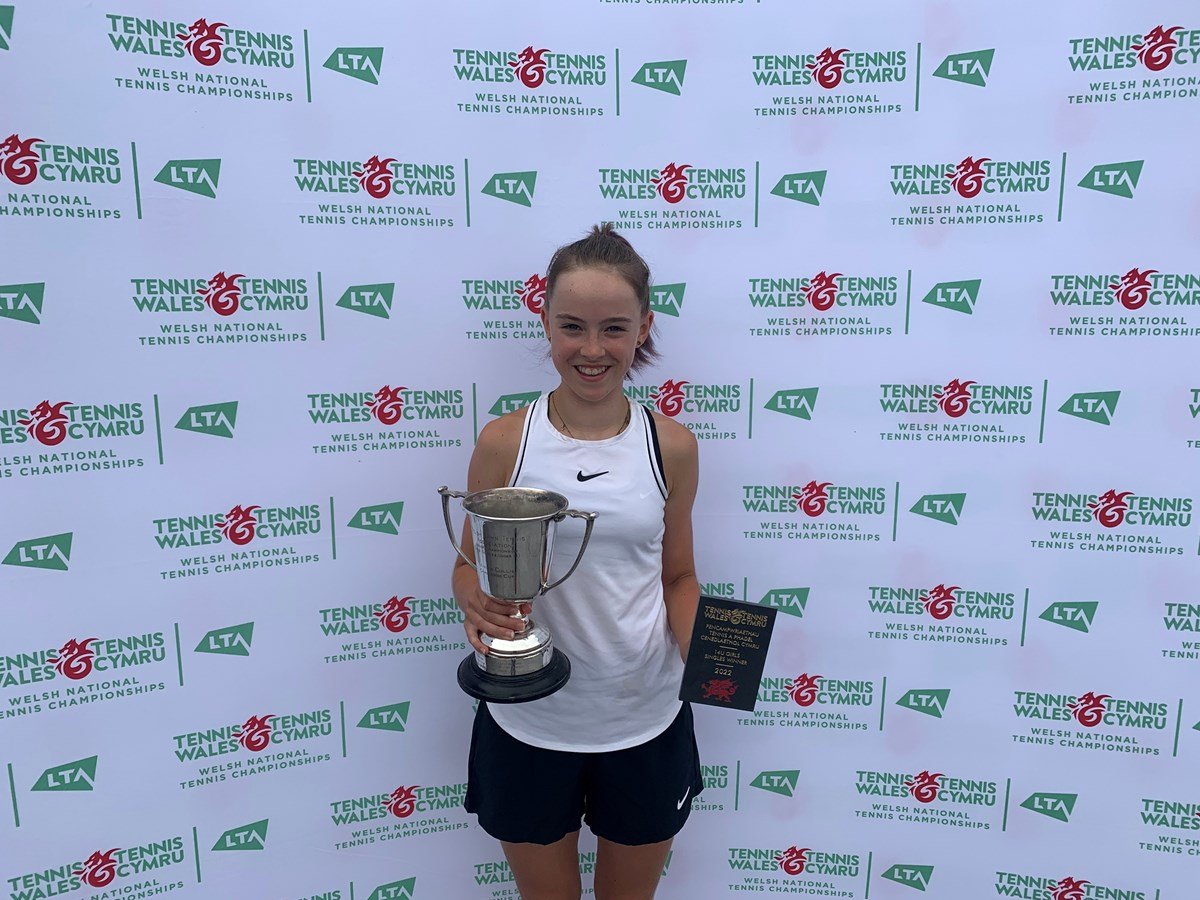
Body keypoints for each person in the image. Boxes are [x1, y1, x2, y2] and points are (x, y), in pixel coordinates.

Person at [452, 223, 703, 900]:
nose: (592, 350)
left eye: (614, 328)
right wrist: (473, 600)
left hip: (644, 717)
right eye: (572, 327)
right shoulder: (505, 441)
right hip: (530, 721)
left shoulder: (671, 446)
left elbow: (677, 574)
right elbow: (469, 565)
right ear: (545, 321)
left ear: (644, 328)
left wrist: (706, 649)